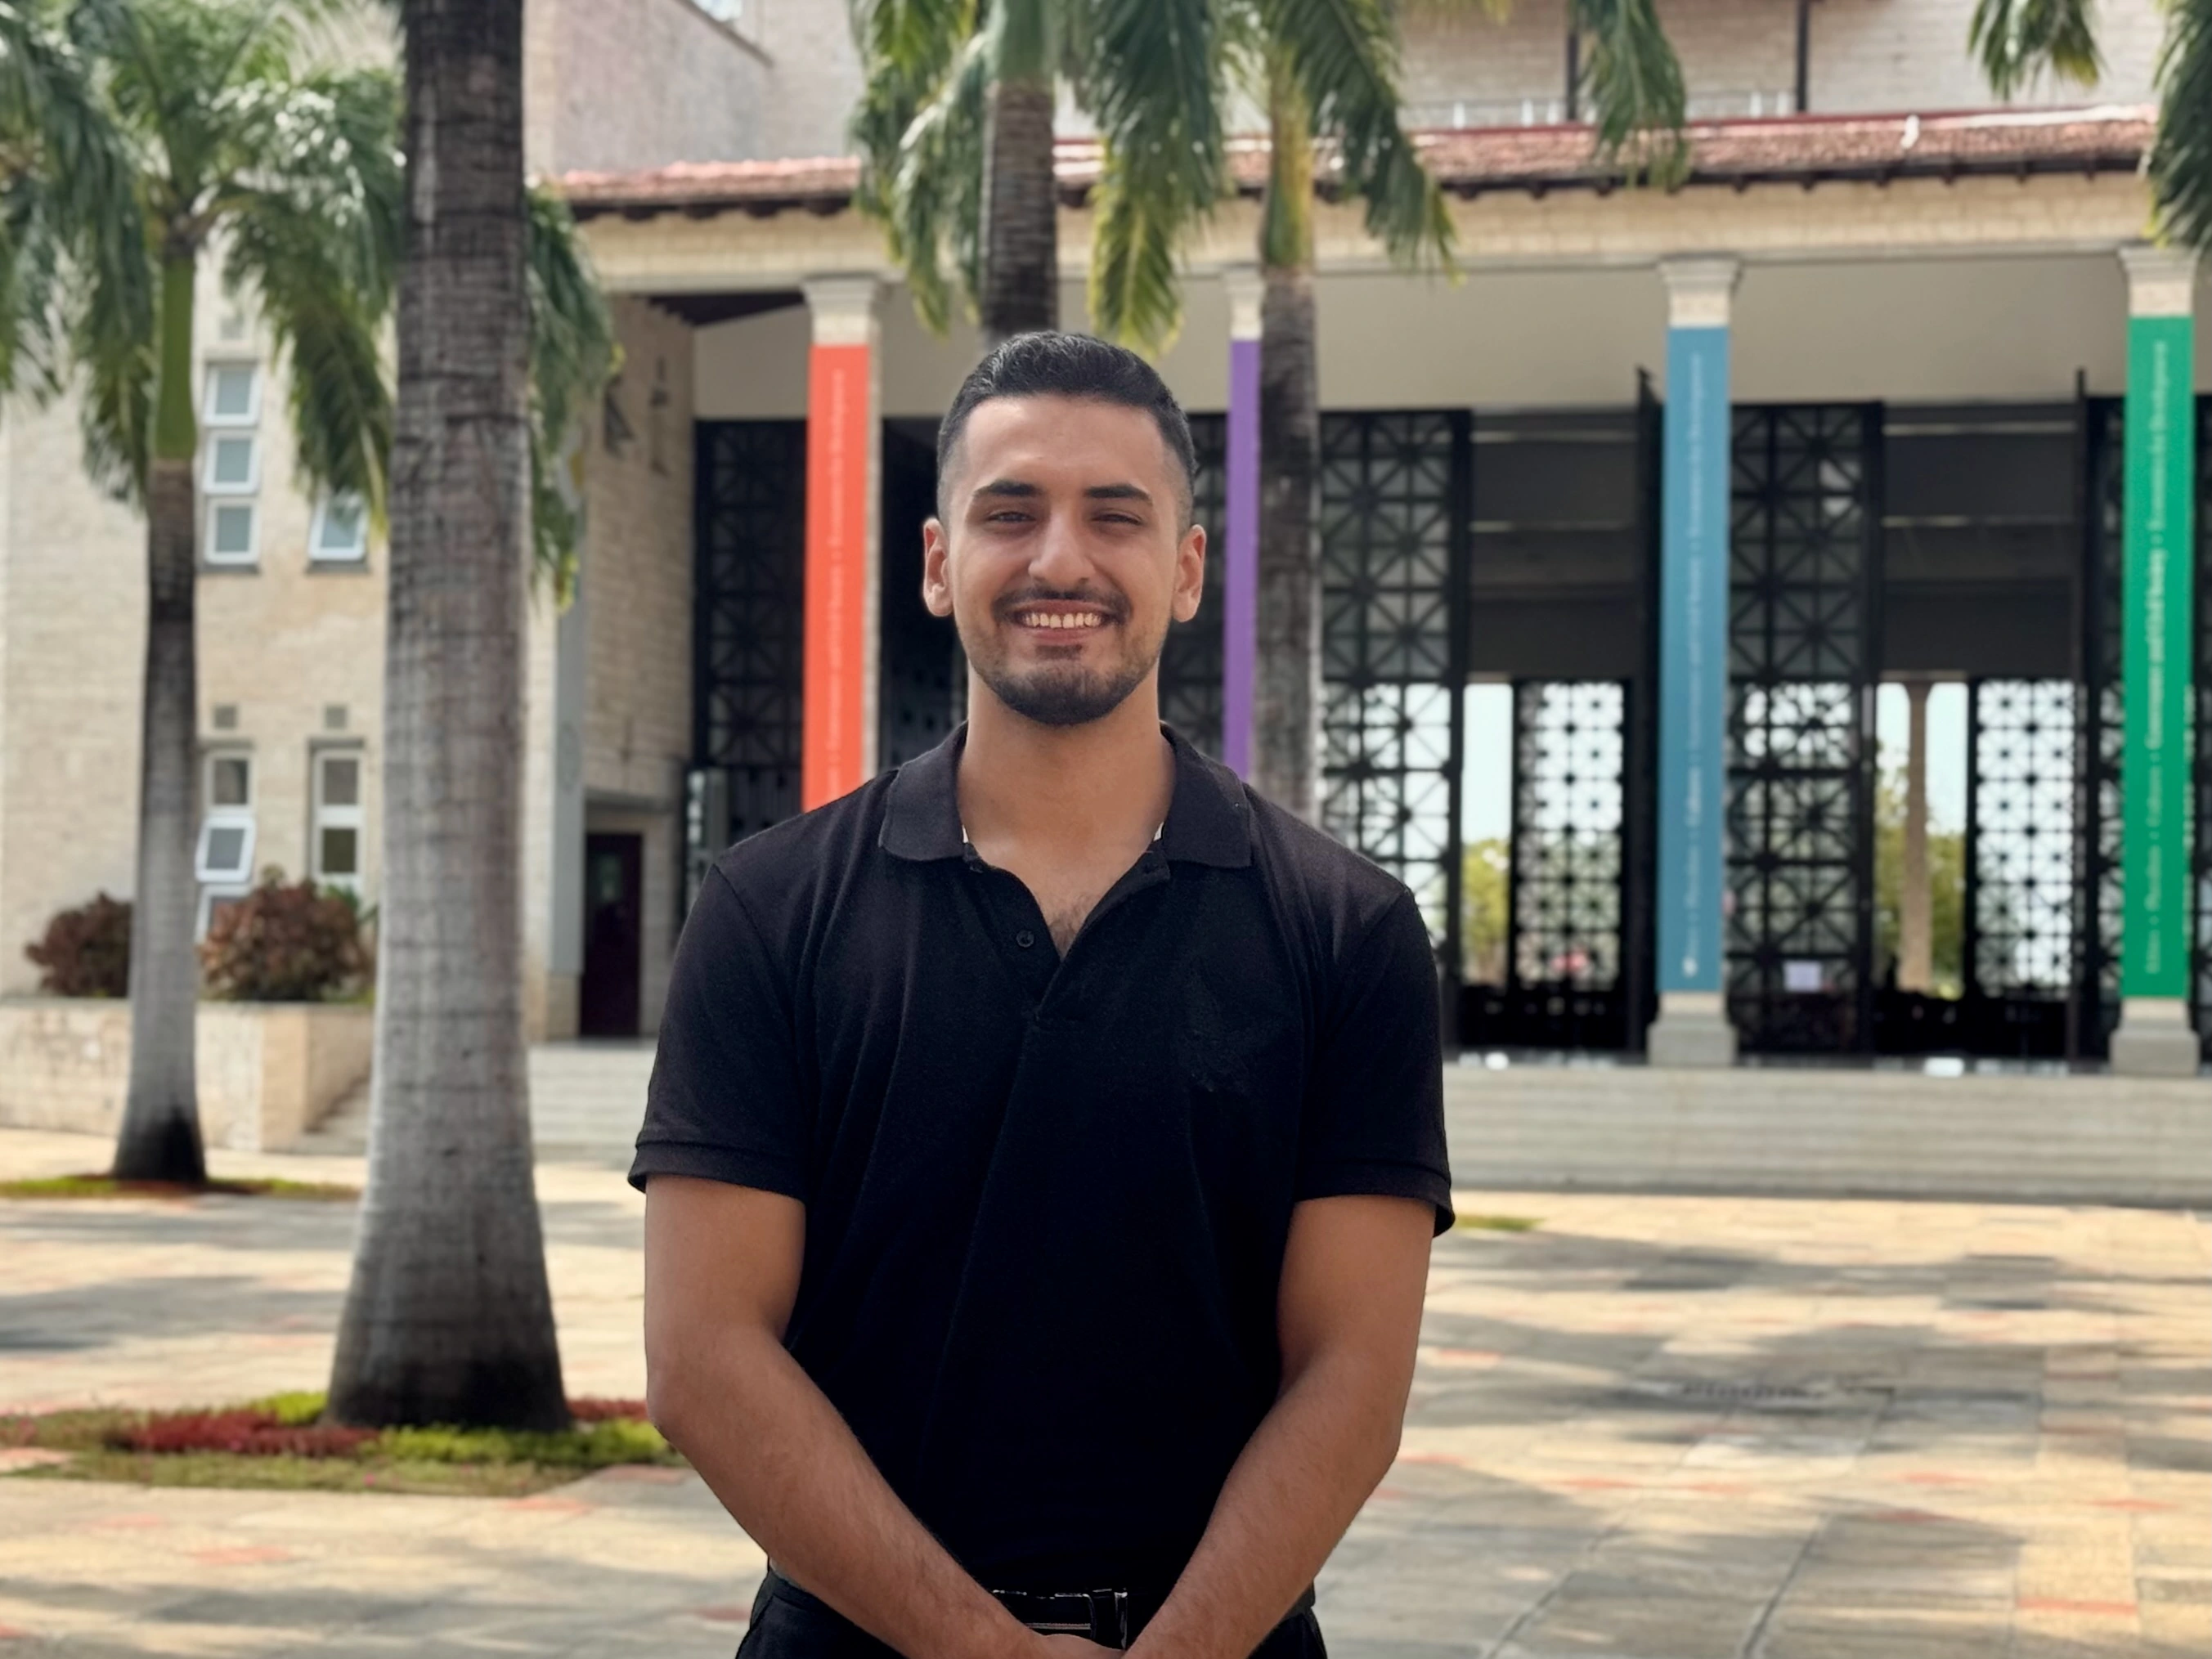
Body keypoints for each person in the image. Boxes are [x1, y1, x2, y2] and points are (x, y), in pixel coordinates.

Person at [635, 331, 1451, 1659]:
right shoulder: (770, 907)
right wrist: (978, 1650)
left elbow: (1350, 1378)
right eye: (1009, 513)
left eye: (1115, 518)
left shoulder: (1345, 929)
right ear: (936, 560)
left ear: (1186, 571)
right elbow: (705, 1357)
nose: (1060, 560)